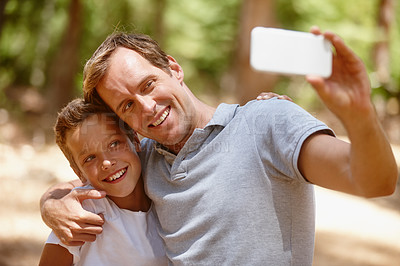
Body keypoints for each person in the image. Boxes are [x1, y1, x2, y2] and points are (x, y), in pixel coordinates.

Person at [40, 26, 398, 265]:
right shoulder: (144, 159)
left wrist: (361, 115)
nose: (147, 108)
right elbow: (88, 178)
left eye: (148, 85)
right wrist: (51, 204)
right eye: (127, 106)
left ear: (173, 68)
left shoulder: (266, 122)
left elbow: (374, 181)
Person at [38, 98, 167, 265]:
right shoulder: (80, 215)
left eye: (114, 144)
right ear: (78, 172)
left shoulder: (165, 185)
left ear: (135, 140)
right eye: (90, 158)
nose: (106, 163)